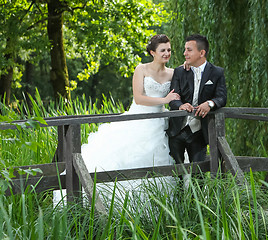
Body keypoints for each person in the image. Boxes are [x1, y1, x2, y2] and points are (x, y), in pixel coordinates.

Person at [53, 34, 179, 205]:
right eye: (162, 50)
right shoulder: (141, 69)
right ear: (152, 52)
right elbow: (139, 98)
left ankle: (154, 204)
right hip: (140, 119)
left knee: (158, 157)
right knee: (128, 156)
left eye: (169, 50)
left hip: (160, 122)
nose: (166, 53)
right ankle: (109, 201)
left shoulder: (173, 73)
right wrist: (164, 100)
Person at [167, 34, 227, 164]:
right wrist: (180, 105)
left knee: (198, 174)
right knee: (176, 172)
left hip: (199, 131)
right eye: (185, 49)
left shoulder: (217, 72)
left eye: (189, 50)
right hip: (177, 130)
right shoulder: (180, 72)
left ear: (201, 53)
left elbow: (222, 97)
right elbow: (172, 98)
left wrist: (210, 104)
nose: (185, 53)